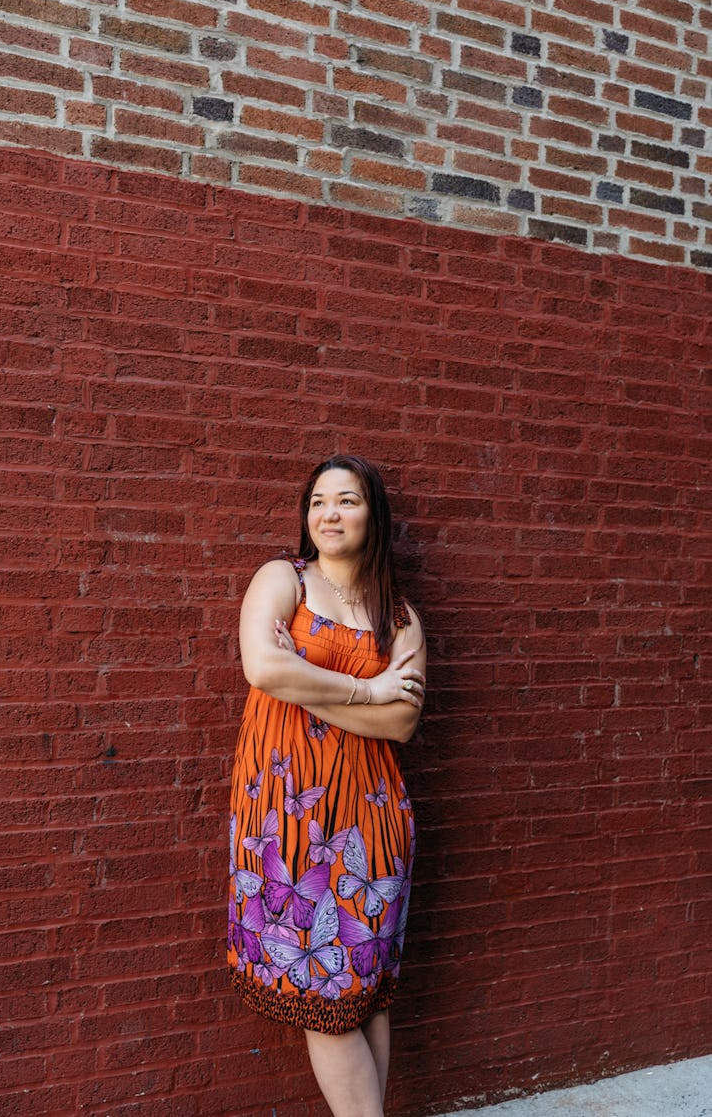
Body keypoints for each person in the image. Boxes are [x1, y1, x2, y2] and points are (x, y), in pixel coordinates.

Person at [227, 455, 426, 1117]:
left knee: (361, 990)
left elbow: (401, 722)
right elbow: (262, 666)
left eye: (346, 500)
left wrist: (302, 678)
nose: (329, 514)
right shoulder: (281, 579)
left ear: (375, 516)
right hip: (283, 819)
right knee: (326, 994)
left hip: (371, 818)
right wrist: (367, 689)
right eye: (318, 501)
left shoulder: (399, 616)